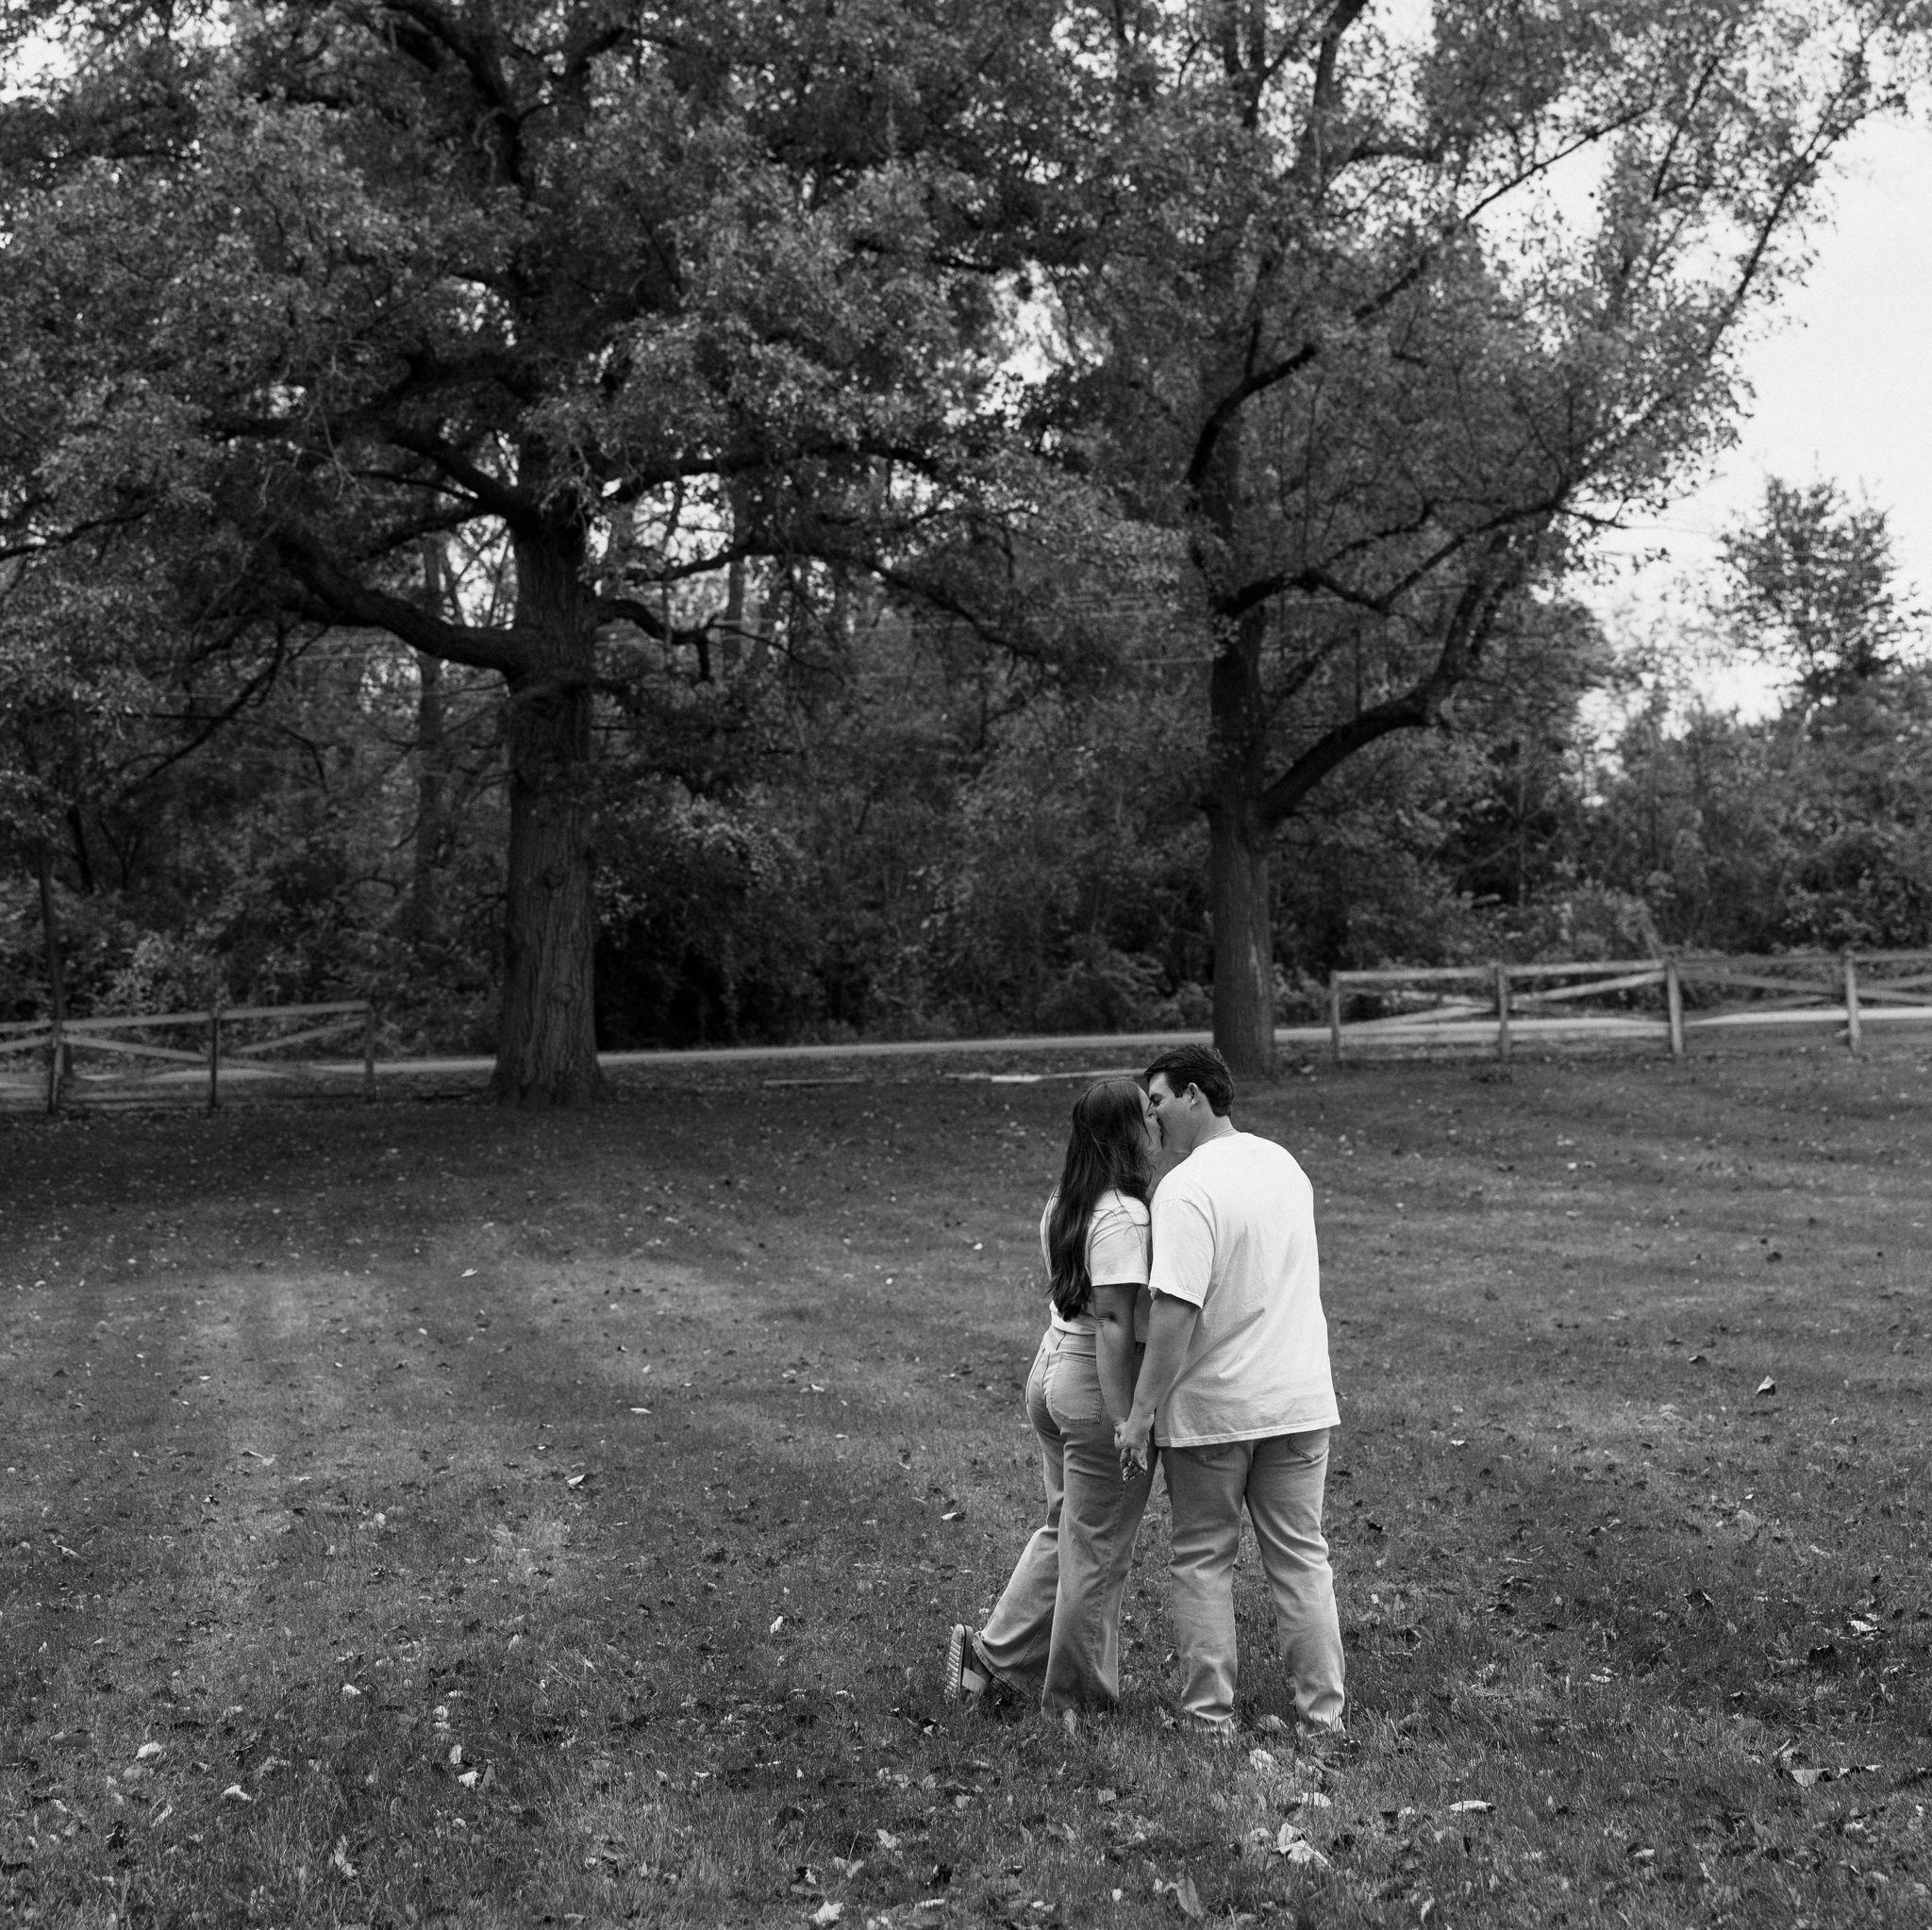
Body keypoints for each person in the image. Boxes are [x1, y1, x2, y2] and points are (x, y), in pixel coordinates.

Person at [1115, 1044, 1345, 1738]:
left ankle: (1208, 1719)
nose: (1151, 1118)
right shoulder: (1285, 1165)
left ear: (1194, 1094)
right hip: (1298, 1399)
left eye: (1157, 1101)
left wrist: (1139, 1414)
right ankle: (1323, 1718)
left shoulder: (1185, 1190)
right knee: (1301, 1559)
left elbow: (1174, 1312)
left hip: (1215, 1411)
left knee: (1202, 1559)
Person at [943, 1076, 1159, 1717]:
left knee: (1066, 1529)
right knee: (1097, 1549)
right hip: (1095, 1382)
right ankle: (1076, 1703)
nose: (1155, 1125)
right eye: (1146, 1116)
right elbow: (1114, 1320)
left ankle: (988, 1657)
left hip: (1051, 1368)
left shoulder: (1064, 1202)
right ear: (1128, 1132)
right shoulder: (1123, 1214)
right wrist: (1126, 1419)